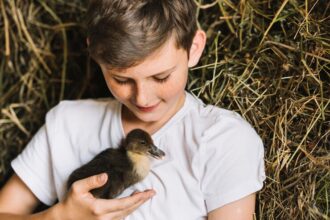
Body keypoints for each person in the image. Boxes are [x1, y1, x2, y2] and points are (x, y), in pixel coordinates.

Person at [0, 0, 266, 219]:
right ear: (95, 53)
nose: (143, 97)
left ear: (193, 49)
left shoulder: (223, 140)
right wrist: (59, 217)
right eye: (122, 79)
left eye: (161, 77)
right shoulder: (66, 125)